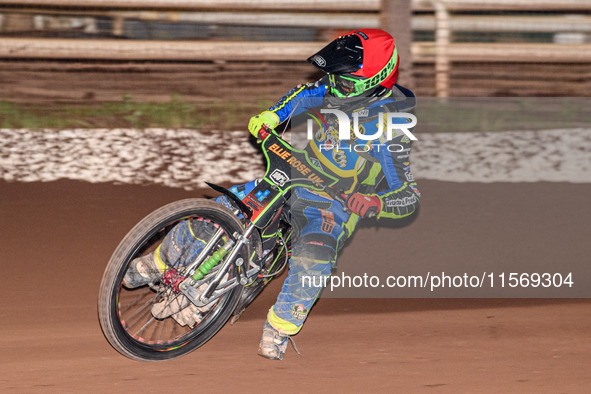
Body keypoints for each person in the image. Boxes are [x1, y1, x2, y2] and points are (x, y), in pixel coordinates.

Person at [123, 28, 420, 360]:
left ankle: (279, 328)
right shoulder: (335, 86)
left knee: (314, 258)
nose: (333, 86)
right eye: (332, 77)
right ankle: (157, 262)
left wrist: (374, 201)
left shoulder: (392, 129)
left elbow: (408, 196)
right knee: (220, 209)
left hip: (334, 203)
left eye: (344, 83)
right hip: (295, 170)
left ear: (374, 81)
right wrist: (272, 116)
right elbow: (303, 94)